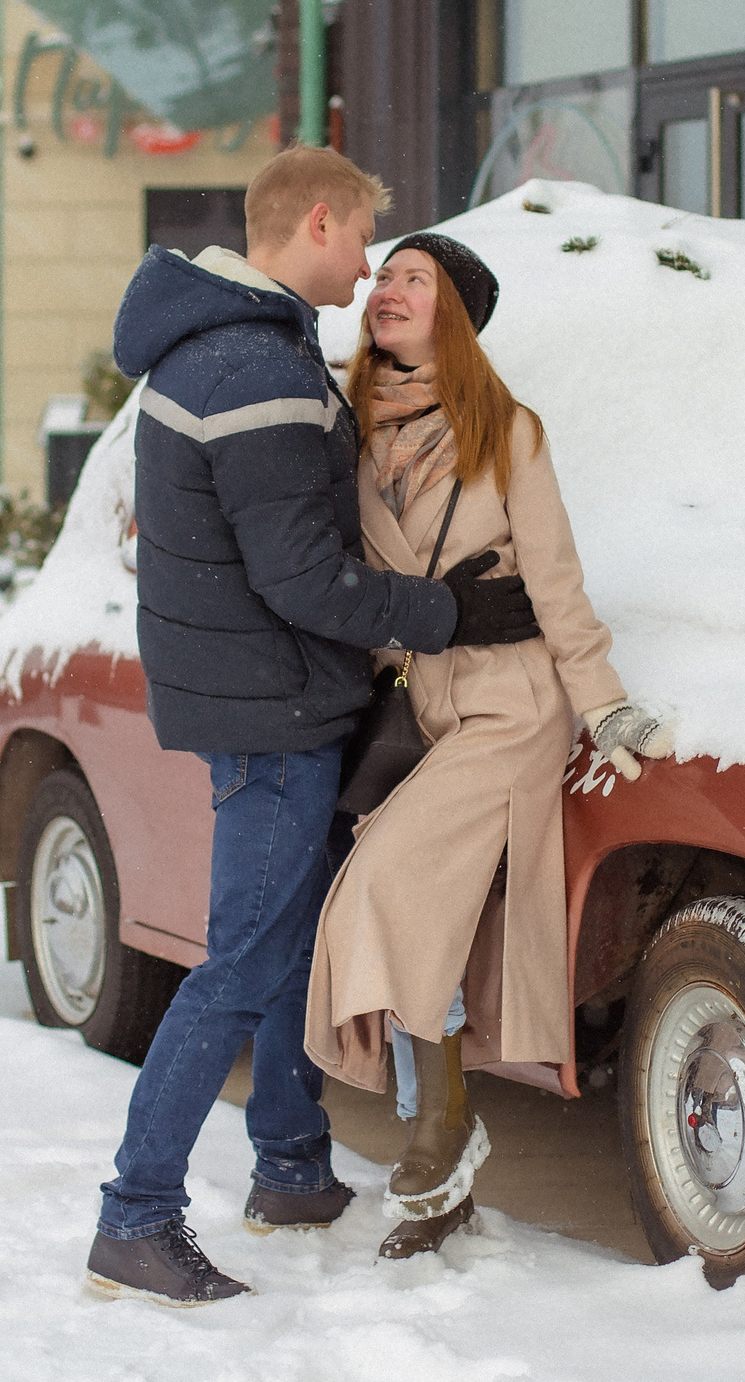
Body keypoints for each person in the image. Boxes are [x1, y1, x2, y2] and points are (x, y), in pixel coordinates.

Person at [85, 150, 546, 1308]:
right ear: (322, 223)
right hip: (274, 704)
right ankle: (135, 1217)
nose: (370, 268)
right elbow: (303, 577)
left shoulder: (232, 341)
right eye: (365, 242)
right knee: (243, 958)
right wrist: (449, 614)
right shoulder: (256, 364)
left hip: (258, 691)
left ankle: (291, 1168)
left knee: (290, 940)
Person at [304, 233, 673, 1260]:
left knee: (387, 882)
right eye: (385, 275)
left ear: (454, 315)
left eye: (414, 281)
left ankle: (441, 1129)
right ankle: (442, 1175)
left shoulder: (505, 431)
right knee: (435, 920)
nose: (387, 289)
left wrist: (604, 703)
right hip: (417, 706)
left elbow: (555, 580)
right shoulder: (346, 425)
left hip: (510, 708)